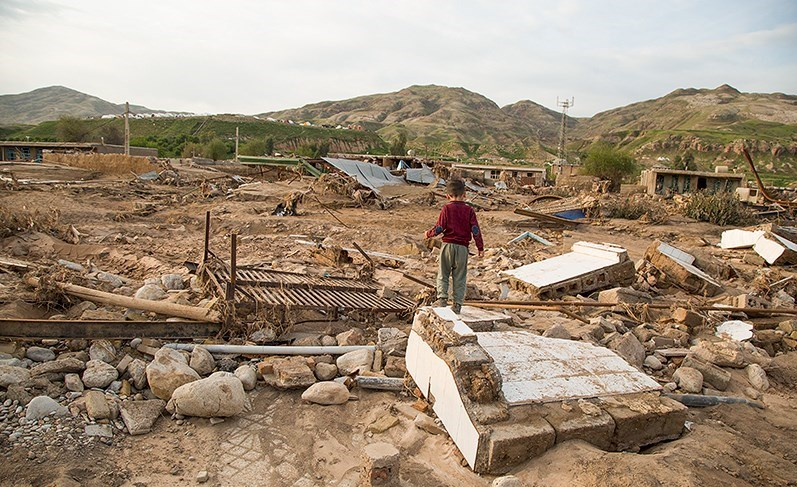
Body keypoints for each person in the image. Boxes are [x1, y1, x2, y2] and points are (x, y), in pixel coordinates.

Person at [425, 178, 484, 314]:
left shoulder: (446, 208)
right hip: (463, 249)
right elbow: (475, 229)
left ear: (447, 196)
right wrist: (480, 247)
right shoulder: (469, 210)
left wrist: (428, 234)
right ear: (465, 195)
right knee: (460, 277)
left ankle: (442, 301)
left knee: (443, 274)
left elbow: (440, 228)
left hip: (447, 246)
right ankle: (457, 305)